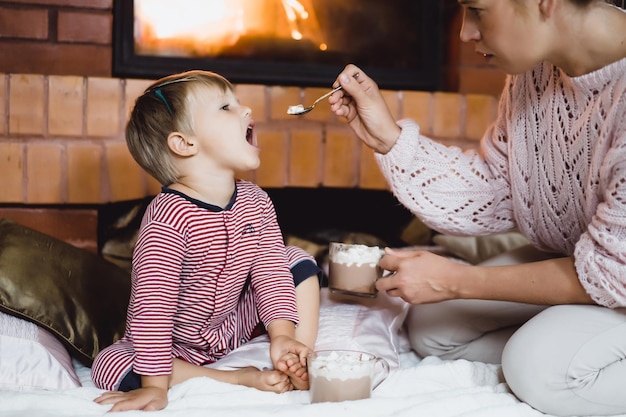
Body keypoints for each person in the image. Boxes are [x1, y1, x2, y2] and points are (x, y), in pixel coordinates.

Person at [329, 1, 626, 416]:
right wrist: (390, 139)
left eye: (477, 10)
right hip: (584, 259)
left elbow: (615, 271)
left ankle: (550, 359)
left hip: (617, 277)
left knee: (537, 369)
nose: (465, 33)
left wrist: (457, 281)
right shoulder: (536, 72)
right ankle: (565, 348)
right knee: (434, 328)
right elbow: (499, 186)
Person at [91, 70, 321, 412]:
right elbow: (152, 308)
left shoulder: (255, 201)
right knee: (110, 364)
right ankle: (237, 378)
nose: (245, 111)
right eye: (226, 107)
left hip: (231, 323)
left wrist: (283, 334)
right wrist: (155, 387)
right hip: (177, 346)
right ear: (185, 143)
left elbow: (270, 270)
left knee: (294, 259)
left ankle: (295, 358)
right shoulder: (168, 218)